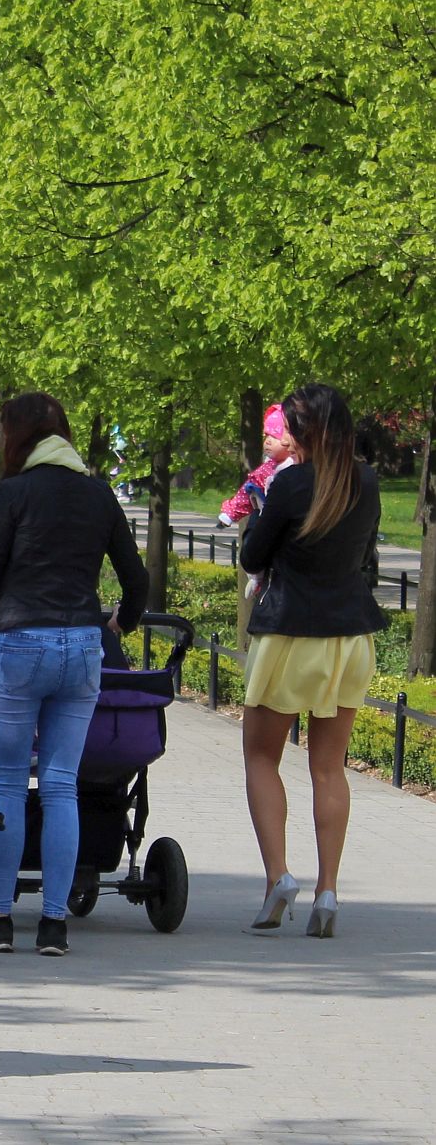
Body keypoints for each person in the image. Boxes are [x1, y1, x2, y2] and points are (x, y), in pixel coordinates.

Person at [0, 392, 147, 957]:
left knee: (11, 784)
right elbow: (136, 581)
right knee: (63, 785)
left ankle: (3, 919)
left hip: (18, 645)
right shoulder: (98, 494)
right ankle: (56, 925)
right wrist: (121, 624)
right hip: (83, 647)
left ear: (17, 437)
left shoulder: (12, 494)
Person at [239, 384, 386, 939]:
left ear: (303, 433)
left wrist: (259, 513)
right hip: (349, 638)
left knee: (260, 758)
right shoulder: (366, 480)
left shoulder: (291, 482)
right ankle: (328, 888)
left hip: (290, 634)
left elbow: (254, 554)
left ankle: (278, 877)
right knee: (329, 767)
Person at [219, 405, 294, 526]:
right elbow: (246, 492)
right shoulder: (266, 469)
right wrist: (230, 513)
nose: (268, 441)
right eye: (266, 435)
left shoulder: (301, 465)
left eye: (275, 436)